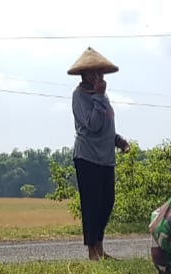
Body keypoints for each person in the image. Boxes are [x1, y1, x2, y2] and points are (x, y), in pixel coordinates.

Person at [68, 47, 130, 261]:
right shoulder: (80, 96)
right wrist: (99, 97)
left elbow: (106, 125)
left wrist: (118, 140)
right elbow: (92, 125)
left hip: (106, 158)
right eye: (93, 73)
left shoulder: (102, 96)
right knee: (92, 204)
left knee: (107, 202)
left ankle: (100, 247)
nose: (98, 77)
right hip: (87, 157)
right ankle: (92, 253)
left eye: (100, 73)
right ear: (84, 75)